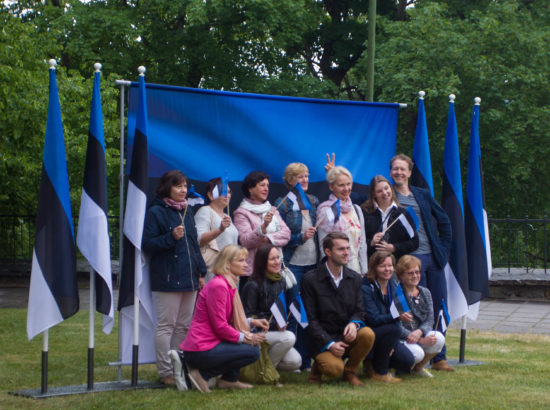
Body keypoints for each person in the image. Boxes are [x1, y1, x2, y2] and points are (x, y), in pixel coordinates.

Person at [142, 170, 207, 385]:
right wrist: (170, 237)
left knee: (183, 326)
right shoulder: (156, 212)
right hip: (168, 278)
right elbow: (148, 244)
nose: (183, 190)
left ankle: (179, 368)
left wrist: (200, 272)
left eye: (185, 186)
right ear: (167, 187)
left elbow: (194, 245)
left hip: (189, 278)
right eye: (178, 186)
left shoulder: (187, 211)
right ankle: (165, 372)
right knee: (166, 326)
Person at [390, 153, 454, 371]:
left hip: (431, 258)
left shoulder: (422, 195)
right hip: (406, 261)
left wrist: (443, 250)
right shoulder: (386, 194)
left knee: (437, 306)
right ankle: (412, 354)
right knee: (410, 311)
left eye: (402, 169)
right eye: (395, 169)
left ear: (409, 172)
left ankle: (439, 357)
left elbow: (444, 220)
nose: (398, 172)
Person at [181, 245, 269, 392]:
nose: (246, 264)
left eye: (245, 260)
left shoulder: (227, 283)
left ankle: (229, 380)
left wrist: (251, 322)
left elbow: (229, 321)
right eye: (241, 260)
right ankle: (201, 375)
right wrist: (246, 338)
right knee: (252, 351)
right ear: (228, 264)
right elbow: (220, 326)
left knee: (251, 347)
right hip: (200, 348)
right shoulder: (219, 286)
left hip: (208, 344)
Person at [301, 232, 375, 386]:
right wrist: (330, 344)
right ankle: (317, 369)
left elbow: (360, 310)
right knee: (334, 370)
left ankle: (350, 373)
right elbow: (310, 320)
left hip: (346, 336)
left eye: (348, 248)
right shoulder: (310, 279)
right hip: (322, 339)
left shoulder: (355, 278)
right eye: (341, 249)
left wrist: (354, 324)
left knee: (368, 334)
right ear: (328, 252)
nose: (347, 253)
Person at [274, 162, 319, 370]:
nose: (306, 180)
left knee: (311, 312)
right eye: (301, 177)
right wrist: (300, 237)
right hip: (293, 265)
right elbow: (277, 238)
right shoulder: (281, 204)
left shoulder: (314, 201)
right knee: (294, 311)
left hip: (314, 265)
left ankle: (308, 358)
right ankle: (292, 359)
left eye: (307, 176)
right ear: (290, 181)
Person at [241, 244, 302, 373]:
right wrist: (275, 324)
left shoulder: (281, 281)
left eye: (278, 258)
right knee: (289, 337)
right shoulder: (253, 285)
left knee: (295, 362)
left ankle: (261, 365)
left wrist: (280, 323)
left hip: (274, 332)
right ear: (263, 262)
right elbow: (248, 317)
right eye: (272, 259)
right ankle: (266, 372)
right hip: (256, 333)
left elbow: (280, 309)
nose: (277, 262)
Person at [362, 251, 415, 382]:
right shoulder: (366, 288)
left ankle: (375, 363)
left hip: (389, 333)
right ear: (374, 268)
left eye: (390, 265)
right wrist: (395, 317)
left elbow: (399, 314)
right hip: (370, 333)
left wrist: (391, 343)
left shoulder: (394, 284)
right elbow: (373, 319)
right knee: (394, 329)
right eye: (382, 266)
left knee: (407, 361)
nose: (387, 269)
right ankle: (380, 372)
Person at [233, 171, 291, 289]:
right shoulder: (241, 212)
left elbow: (286, 234)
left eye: (267, 186)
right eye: (262, 185)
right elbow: (245, 241)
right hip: (254, 272)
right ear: (250, 189)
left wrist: (268, 238)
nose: (266, 189)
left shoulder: (272, 209)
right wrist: (263, 228)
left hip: (274, 269)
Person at [395, 255, 445, 377]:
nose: (415, 276)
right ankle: (401, 367)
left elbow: (430, 319)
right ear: (401, 275)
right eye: (410, 273)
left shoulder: (425, 292)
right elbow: (396, 324)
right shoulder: (396, 293)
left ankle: (418, 368)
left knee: (438, 338)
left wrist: (420, 331)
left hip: (418, 333)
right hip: (402, 338)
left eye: (417, 272)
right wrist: (420, 339)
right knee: (418, 354)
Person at [316, 166, 368, 276]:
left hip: (356, 270)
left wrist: (364, 270)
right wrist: (330, 272)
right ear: (331, 186)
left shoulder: (357, 209)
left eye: (348, 184)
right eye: (341, 185)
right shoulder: (326, 210)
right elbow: (323, 245)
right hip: (336, 270)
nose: (346, 188)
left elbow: (362, 242)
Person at [361, 175, 419, 262]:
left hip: (395, 266)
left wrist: (394, 247)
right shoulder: (365, 212)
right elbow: (356, 241)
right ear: (374, 194)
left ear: (391, 188)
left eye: (386, 188)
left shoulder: (402, 213)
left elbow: (415, 243)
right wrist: (371, 242)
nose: (384, 193)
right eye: (379, 191)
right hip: (371, 264)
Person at [195, 177, 238, 282]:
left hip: (231, 270)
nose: (227, 195)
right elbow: (198, 240)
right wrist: (220, 229)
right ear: (210, 195)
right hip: (214, 271)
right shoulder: (205, 211)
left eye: (228, 192)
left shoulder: (227, 216)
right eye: (222, 191)